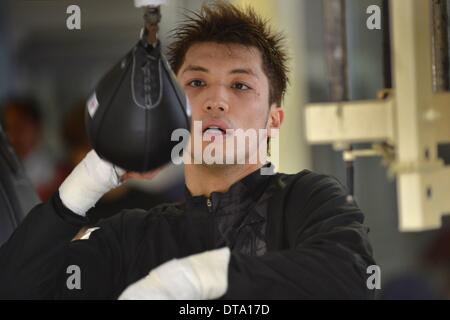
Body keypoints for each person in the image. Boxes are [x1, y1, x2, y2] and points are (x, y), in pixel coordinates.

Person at [0, 2, 376, 299]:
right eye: (197, 81)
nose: (216, 99)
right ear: (173, 109)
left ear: (273, 122)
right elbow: (20, 291)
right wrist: (85, 184)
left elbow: (351, 277)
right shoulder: (134, 237)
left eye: (241, 86)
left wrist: (194, 279)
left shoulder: (307, 200)